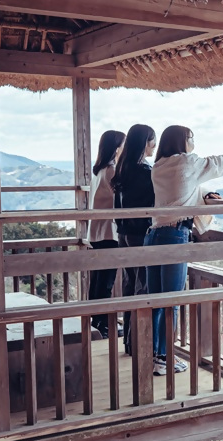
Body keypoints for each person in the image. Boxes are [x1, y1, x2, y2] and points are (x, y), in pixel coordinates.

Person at [145, 125, 223, 376]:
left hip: (154, 234)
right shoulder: (187, 163)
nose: (194, 142)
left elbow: (181, 188)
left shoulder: (159, 166)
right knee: (173, 301)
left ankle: (154, 356)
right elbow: (215, 164)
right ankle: (164, 359)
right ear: (182, 141)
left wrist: (202, 192)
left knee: (156, 301)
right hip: (174, 236)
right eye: (191, 138)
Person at [111, 124, 156, 356]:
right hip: (140, 234)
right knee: (142, 287)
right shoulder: (146, 173)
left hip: (123, 233)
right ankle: (138, 343)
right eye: (153, 141)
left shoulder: (122, 169)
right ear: (145, 143)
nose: (155, 146)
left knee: (130, 285)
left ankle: (129, 341)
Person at [88, 130, 125, 339]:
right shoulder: (112, 171)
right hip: (109, 232)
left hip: (97, 231)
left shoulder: (100, 171)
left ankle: (96, 322)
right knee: (106, 280)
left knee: (98, 279)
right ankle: (102, 325)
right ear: (117, 147)